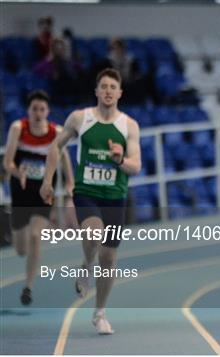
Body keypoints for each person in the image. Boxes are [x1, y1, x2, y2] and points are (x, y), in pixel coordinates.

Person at [40, 68, 141, 335]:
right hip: (87, 191)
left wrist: (120, 159)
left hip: (115, 197)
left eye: (113, 87)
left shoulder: (129, 125)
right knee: (93, 232)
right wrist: (48, 181)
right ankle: (86, 266)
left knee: (108, 258)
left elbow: (136, 166)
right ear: (96, 91)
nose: (108, 91)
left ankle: (99, 313)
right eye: (103, 86)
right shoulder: (79, 118)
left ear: (120, 93)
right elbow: (55, 146)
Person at [2, 90, 74, 305]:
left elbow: (65, 161)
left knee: (36, 237)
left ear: (48, 111)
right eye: (34, 109)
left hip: (43, 193)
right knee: (21, 249)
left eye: (42, 109)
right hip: (20, 192)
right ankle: (15, 231)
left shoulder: (56, 132)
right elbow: (7, 163)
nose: (38, 113)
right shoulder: (18, 129)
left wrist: (70, 185)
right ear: (28, 110)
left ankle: (28, 287)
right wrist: (18, 172)